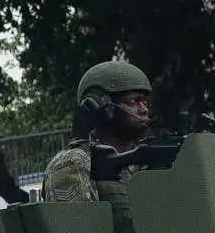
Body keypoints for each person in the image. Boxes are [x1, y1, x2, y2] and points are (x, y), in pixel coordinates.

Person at [40, 58, 157, 202]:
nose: (144, 110)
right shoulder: (73, 165)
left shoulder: (153, 158)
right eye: (133, 102)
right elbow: (76, 222)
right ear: (101, 107)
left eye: (145, 103)